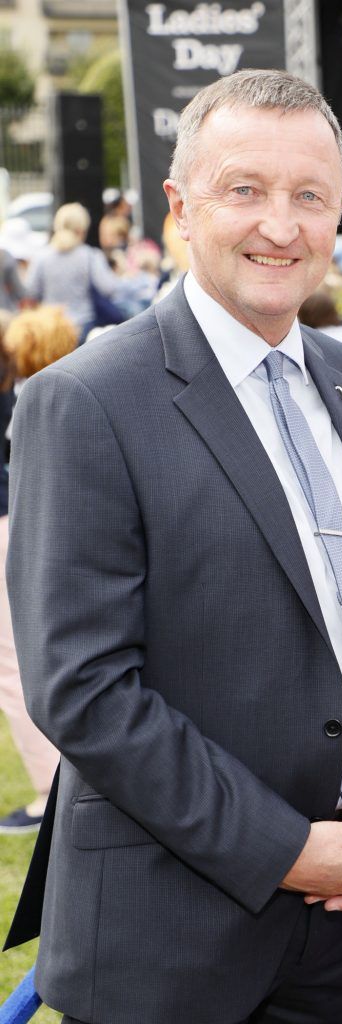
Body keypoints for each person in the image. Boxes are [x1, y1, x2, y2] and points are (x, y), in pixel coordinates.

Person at [5, 69, 342, 1024]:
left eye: (309, 197)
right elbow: (82, 689)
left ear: (341, 210)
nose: (280, 226)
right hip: (167, 946)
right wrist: (285, 849)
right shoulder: (86, 402)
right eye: (244, 190)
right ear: (178, 205)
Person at [0, 308, 76, 832]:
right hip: (47, 524)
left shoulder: (38, 395)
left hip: (20, 521)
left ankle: (54, 792)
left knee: (17, 665)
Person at [25, 202, 122, 342]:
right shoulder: (90, 256)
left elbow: (31, 292)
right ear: (82, 229)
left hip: (50, 329)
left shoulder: (41, 257)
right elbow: (109, 288)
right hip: (82, 326)